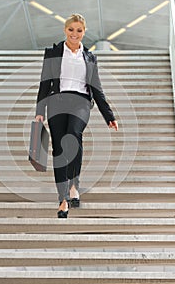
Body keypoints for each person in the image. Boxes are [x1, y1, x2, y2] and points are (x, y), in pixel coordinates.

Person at [35, 13, 118, 218]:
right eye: (71, 29)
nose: (75, 34)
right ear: (65, 30)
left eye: (79, 30)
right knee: (59, 148)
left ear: (84, 32)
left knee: (74, 134)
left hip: (80, 101)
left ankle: (74, 184)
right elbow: (45, 83)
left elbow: (96, 88)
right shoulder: (52, 53)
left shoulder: (89, 57)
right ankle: (63, 199)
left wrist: (109, 116)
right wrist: (39, 112)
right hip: (56, 102)